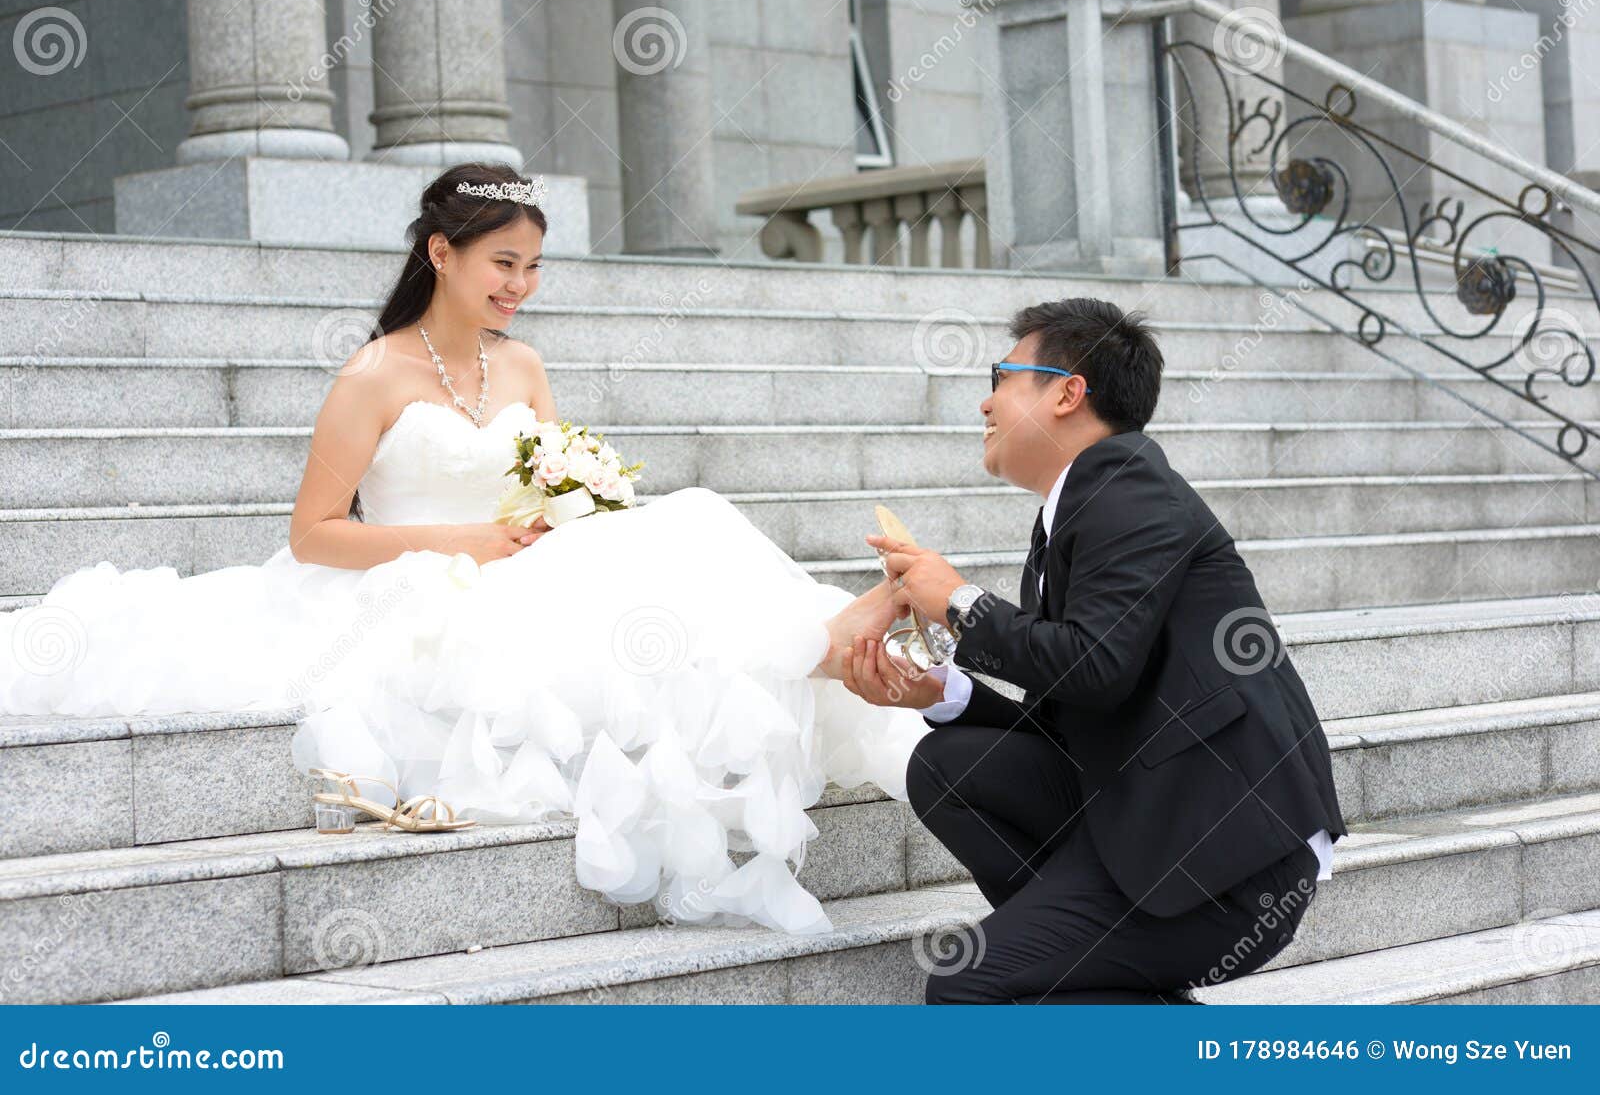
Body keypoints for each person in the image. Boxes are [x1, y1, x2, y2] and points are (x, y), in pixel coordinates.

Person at [0, 161, 930, 937]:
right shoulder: (371, 374)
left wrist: (574, 515)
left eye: (531, 266)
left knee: (684, 520)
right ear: (440, 253)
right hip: (412, 585)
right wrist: (471, 542)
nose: (518, 285)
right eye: (502, 262)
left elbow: (560, 480)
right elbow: (314, 533)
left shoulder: (521, 363)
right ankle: (830, 635)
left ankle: (824, 638)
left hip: (522, 566)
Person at [844, 297, 1347, 1003]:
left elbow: (1096, 666)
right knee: (949, 764)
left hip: (1229, 859)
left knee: (967, 985)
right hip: (1151, 822)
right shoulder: (1074, 512)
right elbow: (1074, 714)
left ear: (1068, 392)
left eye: (1003, 377)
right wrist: (944, 694)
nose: (985, 403)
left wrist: (959, 601)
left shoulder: (1127, 484)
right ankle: (1098, 974)